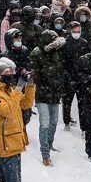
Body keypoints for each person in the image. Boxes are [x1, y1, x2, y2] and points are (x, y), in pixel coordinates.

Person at [29, 29, 66, 166]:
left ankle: (49, 144)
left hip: (55, 93)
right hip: (42, 94)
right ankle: (45, 153)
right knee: (45, 123)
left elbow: (60, 71)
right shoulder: (37, 53)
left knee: (54, 122)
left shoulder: (56, 53)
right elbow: (35, 73)